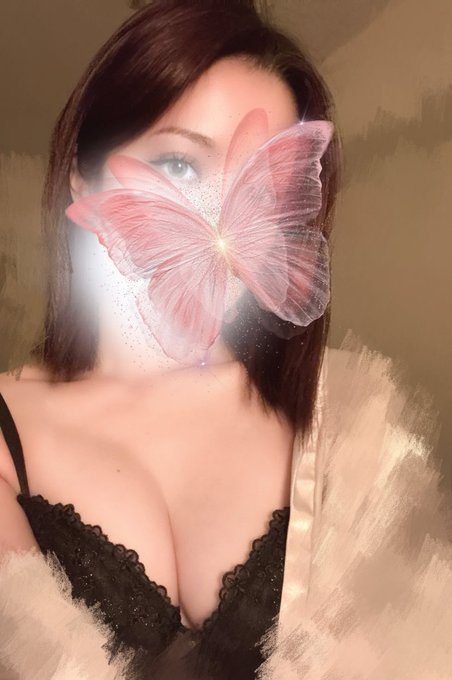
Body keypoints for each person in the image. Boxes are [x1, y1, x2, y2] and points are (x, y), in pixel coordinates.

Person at [0, 1, 339, 678]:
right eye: (181, 166)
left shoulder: (344, 419)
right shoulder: (9, 438)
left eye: (260, 188)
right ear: (82, 177)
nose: (219, 223)